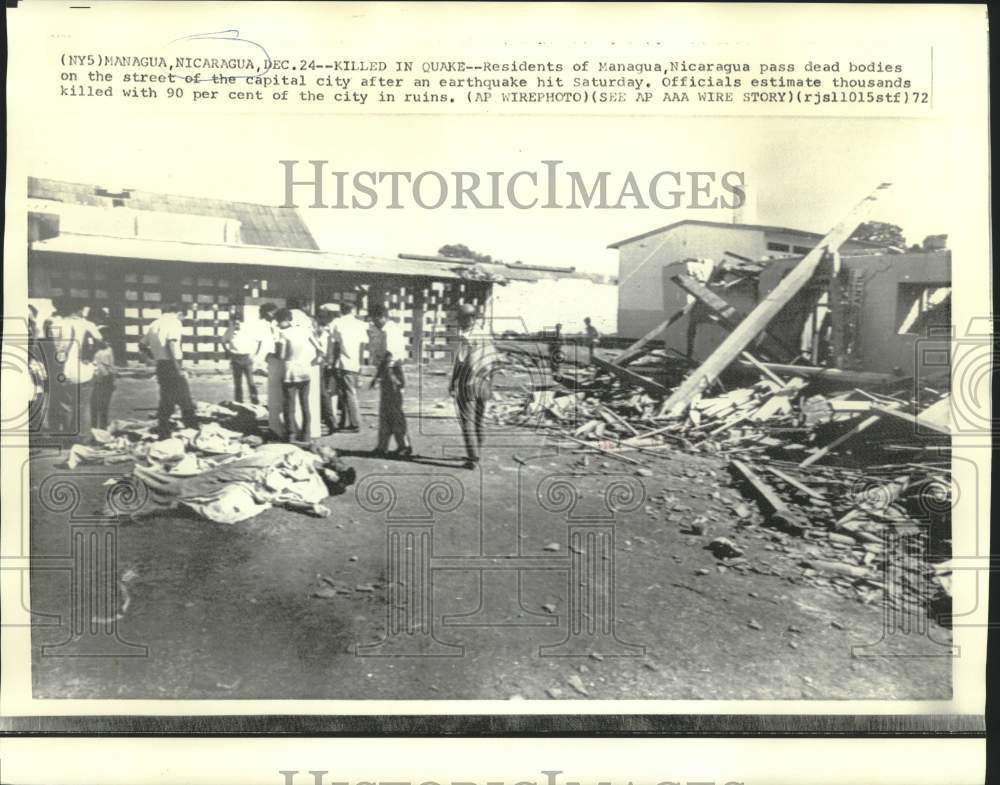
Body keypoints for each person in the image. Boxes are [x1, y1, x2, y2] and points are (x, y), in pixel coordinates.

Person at [43, 297, 102, 443]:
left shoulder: (56, 324)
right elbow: (100, 341)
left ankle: (67, 437)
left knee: (66, 405)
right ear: (80, 309)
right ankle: (82, 437)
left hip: (64, 370)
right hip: (85, 370)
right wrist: (89, 354)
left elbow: (53, 348)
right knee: (83, 405)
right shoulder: (89, 325)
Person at [139, 301, 198, 439]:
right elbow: (171, 344)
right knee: (185, 398)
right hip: (172, 364)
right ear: (179, 313)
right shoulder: (175, 323)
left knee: (167, 398)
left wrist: (153, 356)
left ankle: (164, 429)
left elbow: (142, 345)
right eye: (184, 317)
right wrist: (177, 367)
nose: (183, 320)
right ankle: (192, 429)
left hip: (161, 365)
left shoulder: (154, 324)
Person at [450, 303, 498, 469]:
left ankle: (473, 459)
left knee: (467, 421)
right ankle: (478, 451)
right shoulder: (486, 335)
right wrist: (489, 384)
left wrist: (453, 382)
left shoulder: (467, 336)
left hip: (469, 382)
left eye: (460, 319)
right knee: (478, 420)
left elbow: (461, 362)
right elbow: (494, 361)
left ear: (468, 319)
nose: (459, 323)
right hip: (484, 383)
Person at [369, 304, 412, 457]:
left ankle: (404, 445)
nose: (374, 321)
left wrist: (376, 377)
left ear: (383, 317)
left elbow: (388, 355)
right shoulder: (377, 330)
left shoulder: (391, 330)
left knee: (395, 411)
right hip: (386, 371)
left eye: (376, 318)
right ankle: (382, 445)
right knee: (385, 411)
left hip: (393, 371)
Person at [276, 307, 321, 443]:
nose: (278, 324)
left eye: (279, 321)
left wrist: (274, 352)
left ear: (283, 320)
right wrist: (315, 359)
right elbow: (320, 348)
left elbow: (282, 355)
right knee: (305, 404)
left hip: (290, 371)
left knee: (289, 405)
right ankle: (306, 434)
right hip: (305, 370)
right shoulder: (304, 330)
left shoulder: (282, 334)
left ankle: (291, 434)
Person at [223, 308, 271, 405]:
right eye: (234, 322)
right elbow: (223, 341)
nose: (236, 325)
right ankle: (238, 401)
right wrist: (228, 351)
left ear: (241, 321)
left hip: (247, 358)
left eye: (238, 322)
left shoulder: (247, 330)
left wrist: (255, 354)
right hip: (235, 358)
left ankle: (255, 400)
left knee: (250, 382)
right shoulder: (230, 330)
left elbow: (259, 341)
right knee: (238, 383)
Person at [330, 301, 365, 432]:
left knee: (347, 393)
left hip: (343, 361)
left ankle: (355, 423)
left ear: (341, 310)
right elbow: (362, 346)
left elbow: (335, 344)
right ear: (353, 310)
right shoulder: (360, 324)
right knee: (347, 392)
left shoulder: (337, 323)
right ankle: (346, 421)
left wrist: (332, 361)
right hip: (354, 362)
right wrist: (360, 364)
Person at [316, 305, 340, 434]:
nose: (321, 318)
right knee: (324, 393)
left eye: (323, 315)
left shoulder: (329, 330)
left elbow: (332, 348)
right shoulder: (323, 330)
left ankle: (331, 421)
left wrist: (329, 362)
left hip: (324, 364)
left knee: (324, 393)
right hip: (322, 364)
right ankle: (327, 419)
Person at [90, 329, 117, 431]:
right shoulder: (92, 349)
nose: (106, 341)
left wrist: (114, 380)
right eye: (104, 338)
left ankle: (103, 427)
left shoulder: (109, 350)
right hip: (95, 379)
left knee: (104, 405)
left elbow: (112, 366)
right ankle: (93, 427)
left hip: (107, 378)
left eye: (108, 339)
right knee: (93, 405)